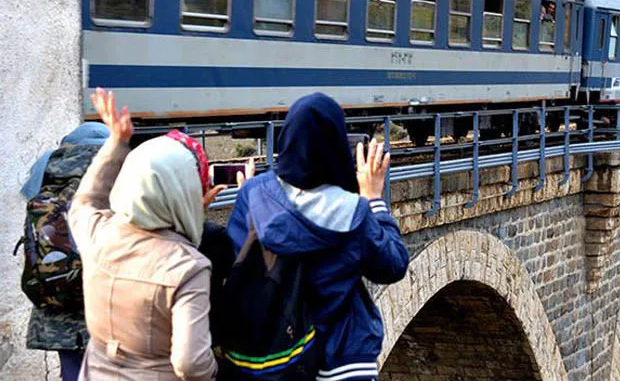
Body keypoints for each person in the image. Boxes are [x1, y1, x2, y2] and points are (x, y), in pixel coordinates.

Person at [228, 93, 409, 381]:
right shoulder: (355, 212)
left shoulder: (254, 194)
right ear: (336, 146)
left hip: (277, 359)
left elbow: (237, 262)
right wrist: (374, 199)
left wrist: (254, 203)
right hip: (343, 361)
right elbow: (392, 265)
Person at [68, 89, 218, 381]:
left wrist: (117, 143)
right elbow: (191, 363)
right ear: (183, 190)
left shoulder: (97, 234)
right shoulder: (188, 268)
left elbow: (86, 200)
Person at [22, 122, 110, 381]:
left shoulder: (43, 177)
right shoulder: (117, 177)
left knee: (72, 372)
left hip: (55, 309)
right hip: (107, 312)